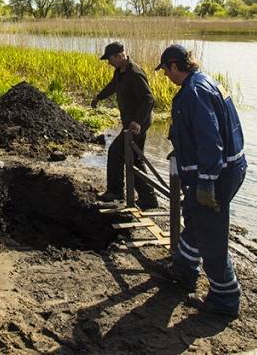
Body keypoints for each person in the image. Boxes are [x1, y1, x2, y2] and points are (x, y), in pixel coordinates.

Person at [156, 43, 247, 317]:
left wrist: (206, 182)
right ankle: (184, 270)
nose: (166, 76)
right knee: (196, 219)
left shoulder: (194, 92)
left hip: (216, 175)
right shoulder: (205, 82)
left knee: (211, 235)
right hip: (226, 168)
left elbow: (210, 141)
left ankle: (225, 299)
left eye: (166, 70)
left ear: (175, 65)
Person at [91, 41, 158, 209]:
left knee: (115, 152)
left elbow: (149, 99)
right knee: (135, 159)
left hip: (138, 124)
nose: (108, 62)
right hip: (131, 122)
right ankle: (148, 198)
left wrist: (137, 121)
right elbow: (113, 87)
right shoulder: (120, 72)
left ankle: (115, 192)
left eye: (110, 59)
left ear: (120, 55)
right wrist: (99, 97)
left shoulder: (135, 73)